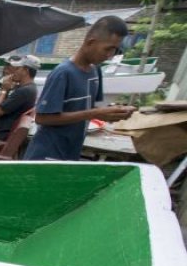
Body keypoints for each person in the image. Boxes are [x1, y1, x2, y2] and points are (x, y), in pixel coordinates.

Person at [25, 16, 135, 161]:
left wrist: (113, 112)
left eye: (114, 50)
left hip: (71, 152)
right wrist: (94, 113)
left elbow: (88, 108)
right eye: (107, 49)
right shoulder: (63, 73)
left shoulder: (96, 71)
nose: (109, 56)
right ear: (91, 42)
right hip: (48, 154)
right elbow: (42, 118)